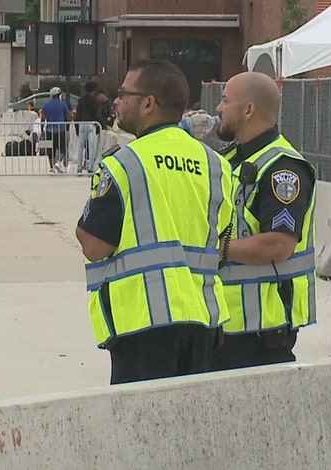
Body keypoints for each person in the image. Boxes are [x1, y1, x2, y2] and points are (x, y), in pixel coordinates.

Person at [75, 59, 234, 385]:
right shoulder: (216, 165)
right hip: (203, 321)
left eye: (124, 93)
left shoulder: (124, 163)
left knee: (143, 430)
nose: (117, 102)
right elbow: (222, 245)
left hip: (143, 326)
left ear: (148, 103)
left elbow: (93, 245)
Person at [209, 71, 317, 371]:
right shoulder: (232, 159)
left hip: (261, 331)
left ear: (248, 110)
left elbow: (279, 244)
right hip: (226, 323)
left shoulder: (283, 168)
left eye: (225, 101)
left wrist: (218, 249)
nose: (218, 108)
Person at [41, 86, 71, 172]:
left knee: (51, 149)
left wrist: (42, 129)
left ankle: (51, 167)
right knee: (63, 148)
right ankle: (58, 162)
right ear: (59, 95)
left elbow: (43, 118)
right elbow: (69, 115)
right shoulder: (63, 104)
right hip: (61, 129)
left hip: (49, 129)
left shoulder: (46, 105)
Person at [74, 81, 101, 175]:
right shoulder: (95, 100)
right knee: (91, 146)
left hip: (82, 123)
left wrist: (76, 127)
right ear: (93, 90)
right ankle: (90, 168)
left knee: (81, 146)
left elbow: (77, 114)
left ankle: (79, 168)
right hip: (92, 124)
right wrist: (102, 125)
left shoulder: (81, 100)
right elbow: (97, 115)